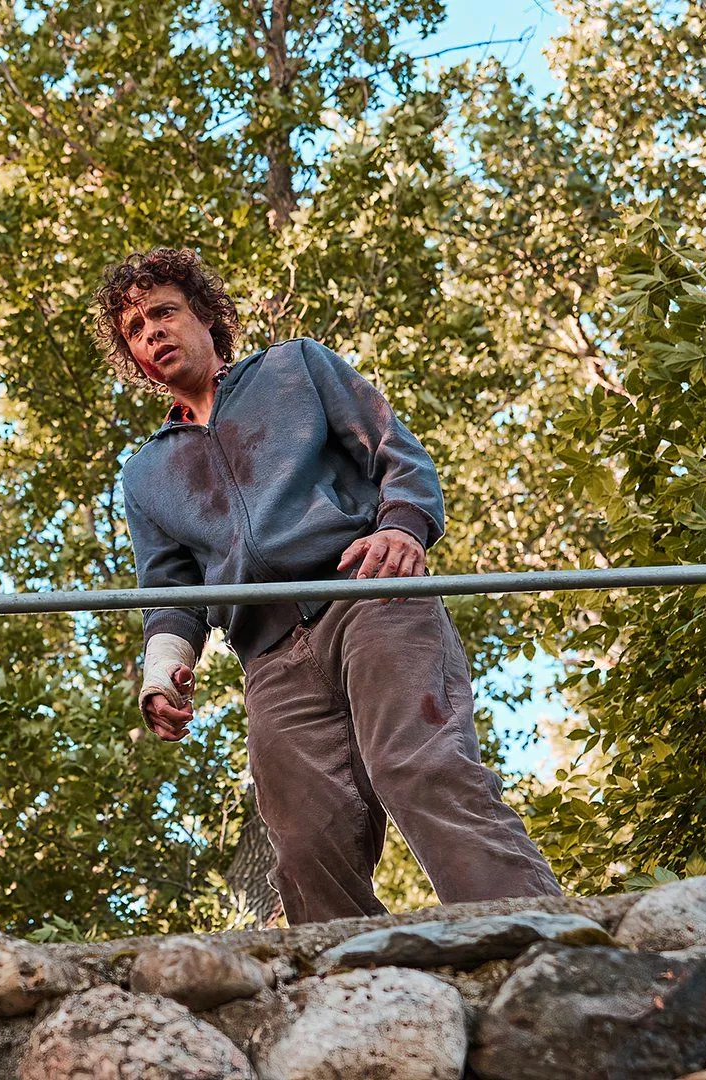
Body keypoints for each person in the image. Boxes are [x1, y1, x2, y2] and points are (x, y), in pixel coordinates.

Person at [99, 247, 562, 924]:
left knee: (420, 768)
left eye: (164, 312)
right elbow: (170, 588)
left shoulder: (295, 369)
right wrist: (164, 670)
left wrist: (403, 527)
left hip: (367, 595)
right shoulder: (145, 474)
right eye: (136, 330)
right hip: (269, 657)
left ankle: (537, 935)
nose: (153, 333)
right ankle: (349, 987)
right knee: (306, 838)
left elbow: (393, 453)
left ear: (205, 317)